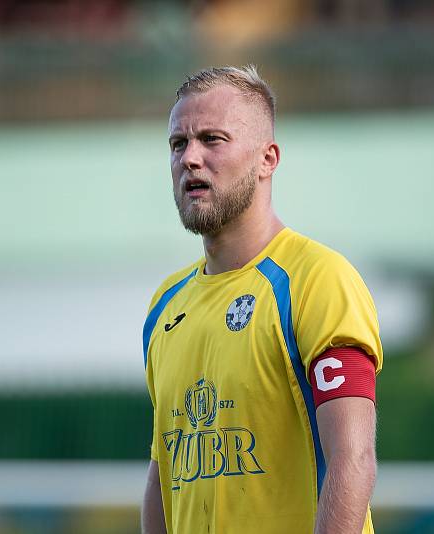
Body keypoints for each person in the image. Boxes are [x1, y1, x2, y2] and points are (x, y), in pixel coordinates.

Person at [141, 65, 382, 534]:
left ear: (267, 159)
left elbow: (353, 461)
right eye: (178, 143)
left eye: (212, 139)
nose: (190, 158)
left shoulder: (317, 280)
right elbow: (161, 478)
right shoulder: (164, 307)